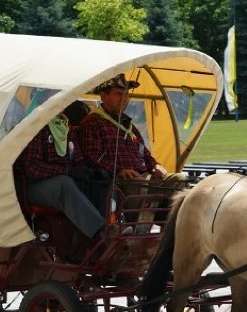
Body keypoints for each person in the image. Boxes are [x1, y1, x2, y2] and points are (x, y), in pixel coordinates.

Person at [78, 73, 187, 228]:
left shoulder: (128, 124)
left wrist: (155, 165)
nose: (124, 98)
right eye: (118, 94)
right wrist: (119, 170)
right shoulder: (93, 122)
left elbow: (144, 152)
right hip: (115, 181)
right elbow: (91, 157)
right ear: (103, 96)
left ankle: (168, 228)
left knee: (180, 180)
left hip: (143, 177)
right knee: (140, 184)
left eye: (127, 94)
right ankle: (131, 229)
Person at [16, 106, 105, 243]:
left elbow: (78, 158)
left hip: (61, 183)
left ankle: (113, 230)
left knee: (101, 186)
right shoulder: (35, 126)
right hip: (31, 187)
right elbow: (31, 167)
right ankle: (102, 234)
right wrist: (67, 172)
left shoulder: (66, 126)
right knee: (63, 184)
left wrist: (89, 171)